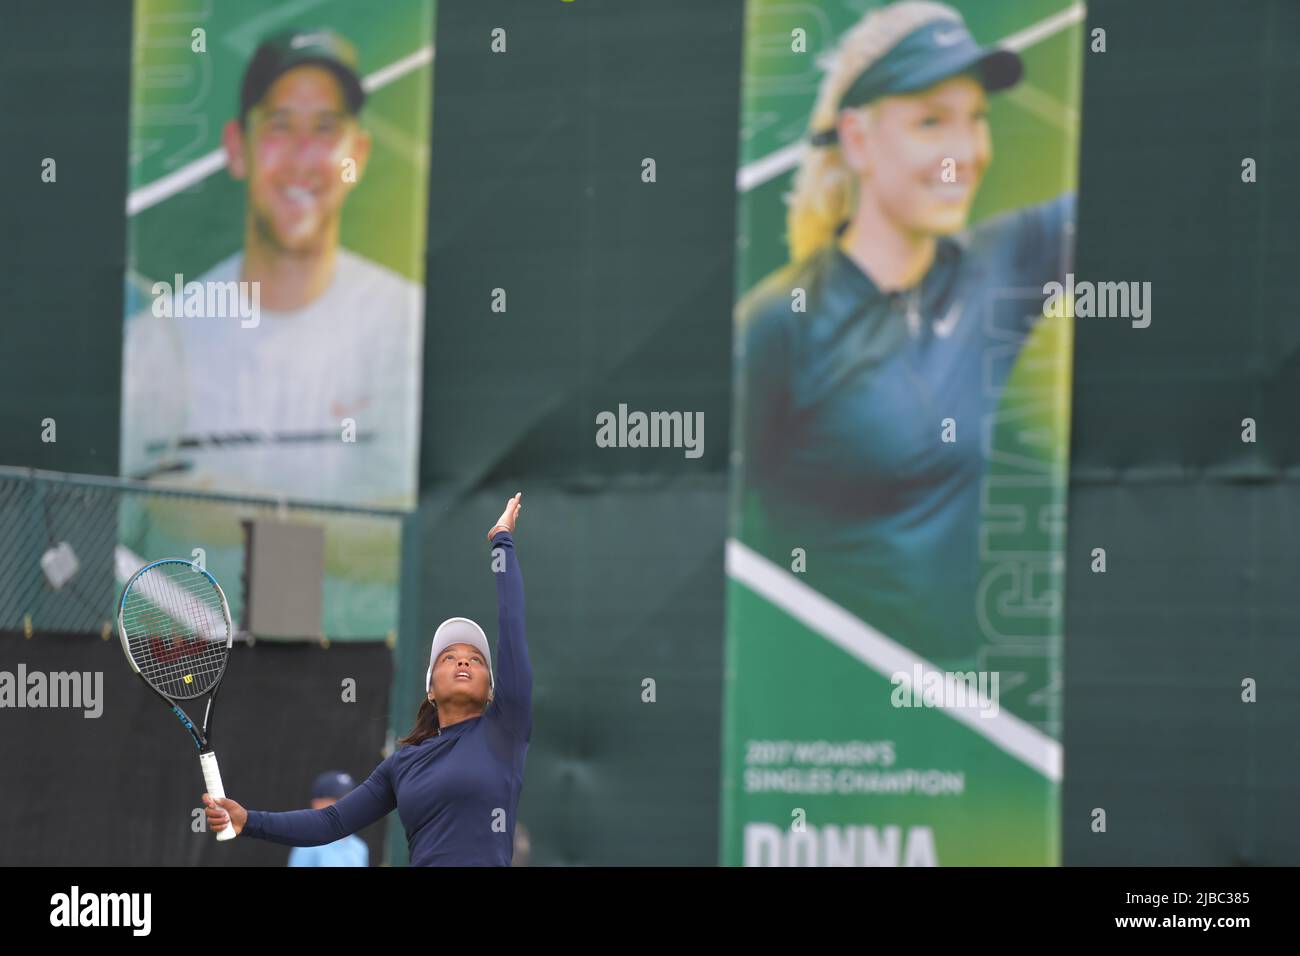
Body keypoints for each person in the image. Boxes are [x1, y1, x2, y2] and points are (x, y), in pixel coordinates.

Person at [736, 1, 1075, 667]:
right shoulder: (777, 323)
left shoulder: (999, 265)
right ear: (857, 139)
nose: (966, 154)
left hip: (953, 726)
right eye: (930, 122)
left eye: (976, 119)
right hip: (820, 731)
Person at [121, 26, 423, 509]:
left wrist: (219, 512)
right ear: (237, 149)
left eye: (325, 128)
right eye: (280, 125)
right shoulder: (158, 344)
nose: (304, 156)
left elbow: (423, 539)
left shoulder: (410, 331)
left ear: (358, 156)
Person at [202, 493, 532, 866]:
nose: (463, 662)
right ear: (431, 689)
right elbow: (332, 821)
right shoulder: (403, 763)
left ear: (492, 691)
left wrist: (502, 539)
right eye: (449, 657)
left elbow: (512, 625)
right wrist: (249, 821)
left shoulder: (505, 730)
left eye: (476, 660)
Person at [288, 772, 369, 867]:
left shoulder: (359, 847)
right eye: (339, 799)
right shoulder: (307, 845)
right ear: (317, 804)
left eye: (351, 798)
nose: (348, 804)